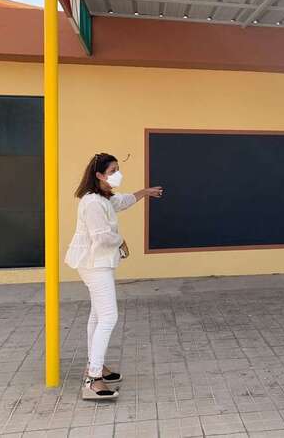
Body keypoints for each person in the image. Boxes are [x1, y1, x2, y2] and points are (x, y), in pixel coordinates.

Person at [65, 153, 163, 400]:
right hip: (94, 264)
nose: (117, 174)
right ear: (99, 175)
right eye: (112, 171)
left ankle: (94, 367)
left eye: (118, 169)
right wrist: (121, 240)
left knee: (98, 316)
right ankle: (92, 380)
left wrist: (145, 192)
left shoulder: (103, 198)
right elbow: (101, 236)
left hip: (97, 262)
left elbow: (122, 201)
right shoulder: (93, 203)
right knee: (109, 317)